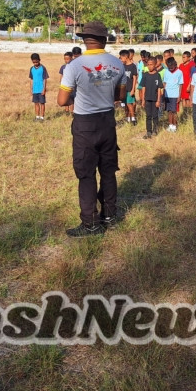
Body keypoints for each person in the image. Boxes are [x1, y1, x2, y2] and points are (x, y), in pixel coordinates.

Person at [58, 22, 126, 237]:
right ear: (105, 40)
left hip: (85, 124)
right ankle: (109, 216)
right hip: (107, 122)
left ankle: (91, 224)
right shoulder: (117, 64)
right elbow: (120, 97)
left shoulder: (74, 66)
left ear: (85, 40)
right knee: (108, 171)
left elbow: (61, 101)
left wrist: (78, 94)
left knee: (86, 174)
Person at [139, 57, 163, 138]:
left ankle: (155, 130)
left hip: (155, 99)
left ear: (155, 65)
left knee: (155, 115)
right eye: (148, 65)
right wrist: (142, 100)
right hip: (147, 99)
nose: (149, 66)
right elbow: (143, 88)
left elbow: (159, 88)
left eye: (151, 64)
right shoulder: (145, 75)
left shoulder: (157, 75)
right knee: (148, 116)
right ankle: (148, 131)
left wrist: (158, 100)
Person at [162, 57, 184, 132]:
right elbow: (164, 83)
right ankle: (170, 125)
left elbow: (181, 85)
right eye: (169, 67)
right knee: (169, 111)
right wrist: (163, 94)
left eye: (171, 67)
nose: (170, 68)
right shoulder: (166, 71)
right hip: (167, 95)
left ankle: (174, 126)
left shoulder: (179, 72)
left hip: (175, 95)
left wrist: (179, 96)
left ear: (174, 64)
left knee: (174, 111)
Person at [119, 50, 138, 125]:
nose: (120, 59)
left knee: (129, 103)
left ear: (125, 57)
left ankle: (133, 118)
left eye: (121, 58)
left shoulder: (133, 66)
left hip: (130, 88)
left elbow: (134, 78)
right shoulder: (122, 66)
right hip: (123, 89)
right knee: (126, 104)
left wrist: (133, 89)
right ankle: (127, 118)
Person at [29, 53, 49, 121]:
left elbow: (45, 79)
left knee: (42, 103)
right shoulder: (31, 69)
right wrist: (31, 89)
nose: (35, 63)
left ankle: (42, 117)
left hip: (41, 89)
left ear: (39, 60)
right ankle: (37, 117)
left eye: (36, 62)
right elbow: (31, 79)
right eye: (34, 62)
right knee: (36, 103)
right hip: (35, 89)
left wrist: (44, 89)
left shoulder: (43, 68)